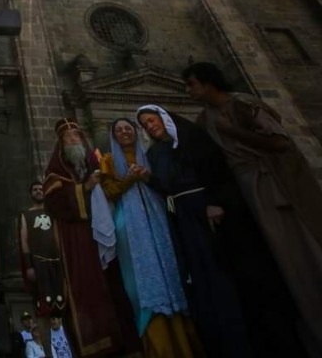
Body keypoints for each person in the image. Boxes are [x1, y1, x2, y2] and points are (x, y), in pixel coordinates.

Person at [183, 61, 322, 354]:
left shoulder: (244, 104)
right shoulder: (203, 120)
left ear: (209, 83)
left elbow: (280, 142)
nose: (188, 90)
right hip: (243, 197)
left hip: (272, 188)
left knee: (299, 254)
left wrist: (233, 132)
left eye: (192, 84)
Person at [137, 105, 265, 357]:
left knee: (224, 266)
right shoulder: (154, 154)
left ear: (163, 118)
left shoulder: (190, 140)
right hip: (183, 213)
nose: (150, 126)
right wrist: (147, 178)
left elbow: (213, 171)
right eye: (145, 125)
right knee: (200, 271)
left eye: (151, 120)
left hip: (207, 206)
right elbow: (167, 187)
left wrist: (214, 201)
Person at [98, 118, 202, 357]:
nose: (124, 132)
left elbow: (166, 183)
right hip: (129, 223)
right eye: (119, 130)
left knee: (171, 270)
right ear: (113, 136)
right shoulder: (109, 160)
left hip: (157, 216)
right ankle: (158, 347)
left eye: (128, 128)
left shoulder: (150, 154)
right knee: (141, 278)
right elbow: (109, 191)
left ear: (136, 132)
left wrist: (147, 176)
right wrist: (131, 178)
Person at [43, 118, 137, 357]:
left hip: (109, 229)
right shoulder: (57, 170)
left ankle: (128, 340)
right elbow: (53, 202)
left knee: (116, 282)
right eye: (68, 138)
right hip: (78, 237)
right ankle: (99, 345)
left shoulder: (96, 163)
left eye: (76, 136)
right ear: (62, 145)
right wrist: (83, 188)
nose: (73, 140)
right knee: (88, 285)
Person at [18, 181, 66, 357]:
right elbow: (24, 240)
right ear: (31, 194)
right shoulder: (26, 214)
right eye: (35, 189)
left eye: (41, 189)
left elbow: (58, 237)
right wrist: (29, 265)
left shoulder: (52, 214)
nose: (38, 191)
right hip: (39, 265)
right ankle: (47, 353)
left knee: (63, 308)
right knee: (43, 311)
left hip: (56, 264)